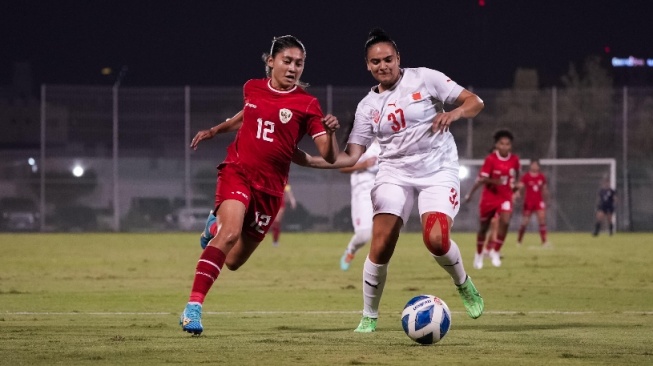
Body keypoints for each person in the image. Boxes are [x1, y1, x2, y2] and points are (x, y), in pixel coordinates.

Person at [294, 28, 485, 332]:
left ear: (399, 58)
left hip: (438, 169)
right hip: (394, 173)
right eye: (375, 62)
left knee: (435, 240)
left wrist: (456, 113)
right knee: (381, 243)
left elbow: (475, 101)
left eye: (387, 59)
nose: (382, 66)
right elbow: (349, 158)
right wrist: (305, 159)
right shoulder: (367, 107)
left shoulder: (425, 77)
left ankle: (462, 282)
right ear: (367, 66)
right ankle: (369, 315)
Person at [181, 35, 340, 335]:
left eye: (299, 63)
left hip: (271, 189)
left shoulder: (308, 105)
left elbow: (328, 155)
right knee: (230, 235)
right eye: (287, 61)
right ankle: (193, 308)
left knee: (234, 261)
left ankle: (212, 228)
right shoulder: (252, 87)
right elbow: (247, 115)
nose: (293, 68)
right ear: (271, 61)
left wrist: (331, 134)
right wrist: (216, 130)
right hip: (238, 172)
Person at [465, 130, 520, 269]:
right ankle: (478, 254)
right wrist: (470, 194)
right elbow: (482, 179)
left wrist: (515, 188)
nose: (504, 146)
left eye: (507, 144)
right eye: (502, 143)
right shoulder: (490, 159)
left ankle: (495, 251)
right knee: (484, 228)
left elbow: (516, 175)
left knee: (506, 221)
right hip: (489, 198)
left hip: (505, 196)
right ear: (496, 145)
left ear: (510, 146)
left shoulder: (514, 160)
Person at [338, 138, 380, 271]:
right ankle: (350, 251)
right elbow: (342, 166)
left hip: (384, 192)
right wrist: (363, 165)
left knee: (385, 236)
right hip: (363, 194)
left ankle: (377, 269)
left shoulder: (392, 142)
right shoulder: (360, 143)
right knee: (363, 235)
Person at [516, 159, 549, 246]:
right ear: (530, 166)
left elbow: (544, 189)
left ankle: (544, 241)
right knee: (525, 222)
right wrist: (518, 192)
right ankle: (519, 241)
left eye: (536, 165)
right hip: (528, 201)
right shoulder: (526, 176)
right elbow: (521, 186)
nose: (535, 166)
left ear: (538, 166)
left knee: (542, 220)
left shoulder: (542, 177)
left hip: (539, 201)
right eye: (533, 165)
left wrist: (546, 200)